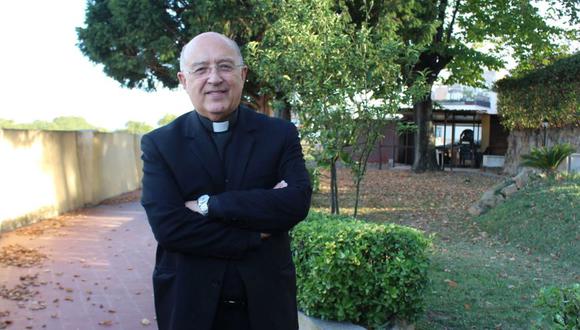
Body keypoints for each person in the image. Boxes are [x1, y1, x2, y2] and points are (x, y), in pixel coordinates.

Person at [140, 31, 312, 330]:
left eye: (225, 66)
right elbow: (170, 228)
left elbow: (295, 202)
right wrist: (252, 235)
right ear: (183, 80)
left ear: (242, 74)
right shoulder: (160, 144)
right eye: (201, 69)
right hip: (190, 304)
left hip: (266, 304)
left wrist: (209, 206)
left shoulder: (280, 134)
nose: (214, 78)